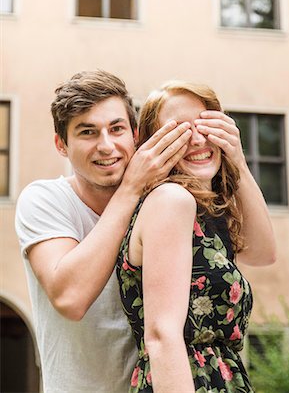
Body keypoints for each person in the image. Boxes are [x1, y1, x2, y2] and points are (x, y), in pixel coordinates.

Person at [15, 70, 193, 393]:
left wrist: (236, 157)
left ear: (135, 135)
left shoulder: (158, 206)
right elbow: (70, 297)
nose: (106, 145)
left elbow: (260, 253)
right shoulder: (43, 200)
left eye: (116, 129)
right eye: (88, 132)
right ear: (61, 144)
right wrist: (131, 187)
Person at [116, 80, 276, 393]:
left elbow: (263, 253)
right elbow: (162, 336)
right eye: (180, 131)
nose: (199, 139)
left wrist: (237, 159)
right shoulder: (171, 201)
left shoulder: (204, 214)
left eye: (207, 125)